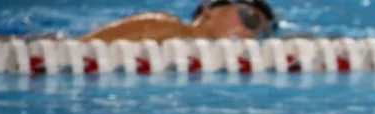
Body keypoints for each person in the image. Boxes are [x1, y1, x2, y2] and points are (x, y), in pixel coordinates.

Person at [80, 0, 278, 43]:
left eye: (262, 33)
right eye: (249, 19)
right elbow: (82, 46)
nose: (250, 33)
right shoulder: (167, 26)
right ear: (210, 11)